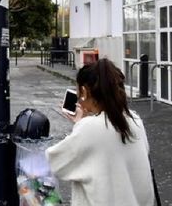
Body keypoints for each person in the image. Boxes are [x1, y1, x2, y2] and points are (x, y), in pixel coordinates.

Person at [46, 58, 154, 206]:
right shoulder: (135, 120)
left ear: (84, 91)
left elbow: (54, 164)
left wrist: (80, 127)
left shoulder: (89, 129)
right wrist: (81, 124)